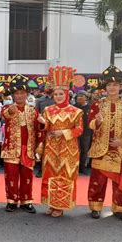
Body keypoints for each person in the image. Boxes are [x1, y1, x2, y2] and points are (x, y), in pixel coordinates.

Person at [87, 65, 122, 222]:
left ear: (121, 86)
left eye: (115, 85)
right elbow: (90, 124)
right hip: (100, 149)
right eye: (109, 85)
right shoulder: (97, 105)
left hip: (121, 149)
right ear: (105, 87)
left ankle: (120, 209)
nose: (112, 87)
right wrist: (98, 122)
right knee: (98, 181)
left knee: (120, 181)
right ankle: (95, 207)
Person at [39, 66, 83, 218]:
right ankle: (51, 203)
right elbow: (45, 128)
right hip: (51, 147)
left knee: (64, 176)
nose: (58, 96)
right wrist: (42, 123)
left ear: (66, 94)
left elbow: (79, 130)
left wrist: (63, 132)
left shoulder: (76, 111)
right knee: (50, 174)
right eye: (56, 94)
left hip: (68, 148)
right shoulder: (48, 110)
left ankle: (60, 206)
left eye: (61, 94)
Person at [0, 74, 42, 214]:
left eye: (22, 93)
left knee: (27, 177)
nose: (19, 96)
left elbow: (38, 128)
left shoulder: (33, 111)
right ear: (13, 95)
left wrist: (43, 125)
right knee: (11, 176)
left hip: (28, 149)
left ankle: (26, 201)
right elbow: (5, 115)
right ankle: (11, 201)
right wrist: (11, 110)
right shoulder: (8, 108)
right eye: (16, 93)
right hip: (11, 148)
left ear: (27, 94)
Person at [74, 90, 93, 175]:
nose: (79, 98)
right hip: (75, 133)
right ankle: (75, 168)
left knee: (85, 151)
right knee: (76, 150)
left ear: (86, 98)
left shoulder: (90, 107)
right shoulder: (74, 107)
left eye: (82, 96)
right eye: (78, 96)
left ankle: (82, 168)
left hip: (86, 133)